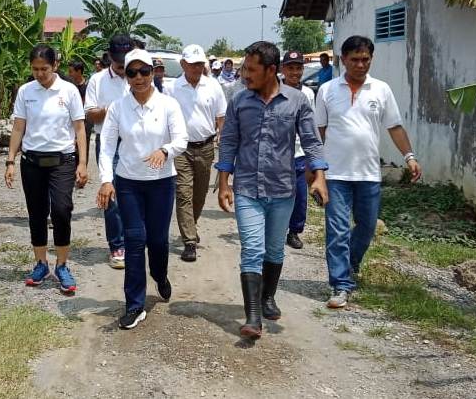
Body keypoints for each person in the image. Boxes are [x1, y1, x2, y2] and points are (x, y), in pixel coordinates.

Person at [216, 41, 328, 340]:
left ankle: (267, 297)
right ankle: (252, 316)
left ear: (270, 70)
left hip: (283, 188)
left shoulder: (297, 101)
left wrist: (319, 176)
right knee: (252, 249)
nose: (244, 75)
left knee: (275, 249)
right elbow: (228, 142)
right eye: (243, 69)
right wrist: (224, 182)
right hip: (248, 189)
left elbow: (311, 140)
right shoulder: (239, 101)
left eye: (251, 70)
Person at [316, 36, 422, 309]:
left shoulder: (381, 90)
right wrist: (315, 169)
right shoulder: (327, 90)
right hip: (336, 173)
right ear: (343, 59)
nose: (361, 64)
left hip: (367, 173)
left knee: (367, 226)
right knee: (337, 229)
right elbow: (319, 132)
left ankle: (350, 264)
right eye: (355, 59)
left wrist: (409, 157)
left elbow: (395, 127)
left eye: (365, 59)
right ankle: (340, 285)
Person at [96, 49, 188, 330]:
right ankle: (134, 305)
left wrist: (165, 150)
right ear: (126, 75)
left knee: (158, 241)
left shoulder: (168, 105)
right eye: (131, 72)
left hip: (161, 183)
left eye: (143, 72)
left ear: (152, 72)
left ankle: (159, 275)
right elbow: (107, 145)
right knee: (135, 241)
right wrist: (106, 179)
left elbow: (182, 139)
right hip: (129, 184)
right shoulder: (118, 107)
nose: (138, 78)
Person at [5, 45, 88, 294]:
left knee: (62, 210)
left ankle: (62, 264)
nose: (39, 74)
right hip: (32, 163)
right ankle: (41, 262)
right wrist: (10, 160)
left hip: (62, 161)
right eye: (35, 69)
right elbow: (19, 127)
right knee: (37, 212)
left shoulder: (69, 91)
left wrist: (83, 163)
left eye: (45, 69)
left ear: (55, 67)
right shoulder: (25, 92)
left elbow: (80, 129)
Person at [164, 44, 227, 262]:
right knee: (183, 194)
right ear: (183, 64)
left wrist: (224, 143)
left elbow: (221, 118)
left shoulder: (213, 86)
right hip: (181, 148)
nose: (197, 68)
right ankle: (189, 241)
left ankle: (191, 224)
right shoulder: (171, 88)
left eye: (200, 64)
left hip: (206, 147)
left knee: (199, 194)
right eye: (193, 64)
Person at [85, 35, 135, 269]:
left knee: (134, 195)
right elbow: (90, 114)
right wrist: (113, 110)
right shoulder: (97, 80)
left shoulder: (140, 76)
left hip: (135, 143)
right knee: (112, 195)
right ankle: (117, 244)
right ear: (110, 57)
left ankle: (134, 240)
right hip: (108, 143)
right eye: (118, 62)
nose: (123, 67)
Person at [280, 51, 316, 250]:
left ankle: (294, 231)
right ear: (283, 69)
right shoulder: (275, 89)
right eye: (290, 68)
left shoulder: (308, 94)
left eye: (298, 68)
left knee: (301, 196)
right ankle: (275, 229)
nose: (295, 72)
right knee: (278, 195)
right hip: (278, 154)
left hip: (300, 153)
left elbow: (311, 124)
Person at [68, 60, 94, 165]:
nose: (69, 74)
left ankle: (82, 166)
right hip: (71, 119)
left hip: (85, 120)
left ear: (79, 71)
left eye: (71, 71)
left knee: (83, 143)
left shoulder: (88, 86)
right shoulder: (69, 86)